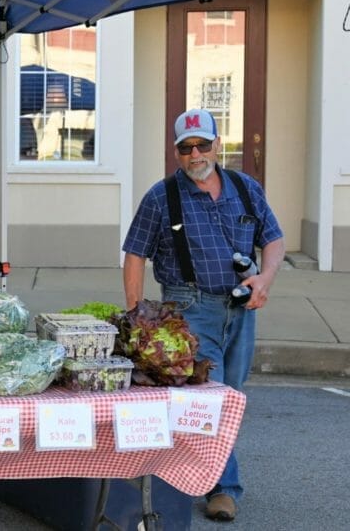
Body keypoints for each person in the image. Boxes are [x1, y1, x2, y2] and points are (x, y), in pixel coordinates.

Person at [122, 108, 285, 522]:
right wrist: (136, 315)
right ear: (176, 152)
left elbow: (274, 239)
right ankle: (222, 488)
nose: (195, 154)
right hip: (189, 309)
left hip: (241, 310)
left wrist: (264, 278)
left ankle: (197, 473)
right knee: (208, 398)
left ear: (217, 145)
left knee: (229, 397)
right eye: (185, 147)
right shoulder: (162, 196)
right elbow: (135, 255)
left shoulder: (245, 188)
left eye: (202, 145)